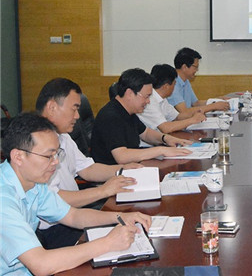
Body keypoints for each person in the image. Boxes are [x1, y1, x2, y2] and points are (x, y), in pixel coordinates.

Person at [0, 112, 151, 275]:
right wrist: (108, 243)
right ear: (18, 157)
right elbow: (41, 265)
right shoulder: (3, 199)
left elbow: (73, 216)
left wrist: (120, 217)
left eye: (57, 154)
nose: (56, 162)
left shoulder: (33, 183)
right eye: (48, 156)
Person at [35, 78, 143, 249]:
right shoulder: (35, 148)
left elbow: (87, 169)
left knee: (133, 229)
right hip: (55, 229)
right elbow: (54, 200)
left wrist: (122, 169)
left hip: (73, 216)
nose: (77, 116)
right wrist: (102, 191)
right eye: (74, 109)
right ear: (52, 107)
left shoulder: (63, 137)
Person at [91, 68, 193, 165]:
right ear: (130, 93)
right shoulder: (111, 116)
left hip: (133, 166)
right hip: (114, 173)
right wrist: (161, 150)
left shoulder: (128, 111)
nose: (148, 101)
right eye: (146, 96)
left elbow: (145, 133)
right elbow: (122, 156)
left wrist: (166, 138)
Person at [138, 64, 207, 133]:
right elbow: (166, 128)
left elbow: (177, 117)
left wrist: (194, 114)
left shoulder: (162, 99)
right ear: (166, 86)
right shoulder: (149, 101)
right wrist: (192, 120)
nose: (175, 87)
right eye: (174, 84)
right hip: (150, 139)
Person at [167, 47, 229, 113]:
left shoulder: (185, 81)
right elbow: (184, 111)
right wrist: (213, 106)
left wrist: (216, 100)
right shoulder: (172, 84)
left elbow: (196, 103)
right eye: (195, 67)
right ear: (184, 67)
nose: (197, 70)